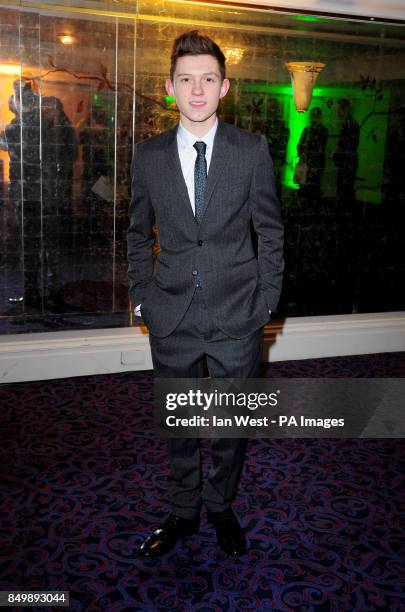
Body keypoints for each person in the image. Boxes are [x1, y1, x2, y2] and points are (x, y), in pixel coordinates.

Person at [127, 30, 284, 558]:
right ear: (170, 88)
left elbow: (271, 231)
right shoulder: (146, 156)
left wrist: (267, 299)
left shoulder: (252, 150)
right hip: (169, 311)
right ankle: (182, 510)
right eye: (187, 79)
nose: (198, 90)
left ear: (225, 87)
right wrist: (141, 295)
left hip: (239, 310)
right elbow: (134, 231)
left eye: (208, 79)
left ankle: (219, 506)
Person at [296, 106, 328, 200]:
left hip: (315, 165)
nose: (313, 117)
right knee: (303, 189)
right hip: (305, 163)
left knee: (313, 189)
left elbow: (319, 147)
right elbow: (299, 145)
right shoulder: (307, 130)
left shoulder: (323, 131)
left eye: (315, 116)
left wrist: (306, 150)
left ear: (319, 117)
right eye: (312, 115)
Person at [333, 98, 360, 203]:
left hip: (347, 162)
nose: (336, 111)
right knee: (344, 189)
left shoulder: (349, 124)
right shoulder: (349, 123)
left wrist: (338, 153)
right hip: (347, 162)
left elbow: (348, 145)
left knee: (344, 190)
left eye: (338, 108)